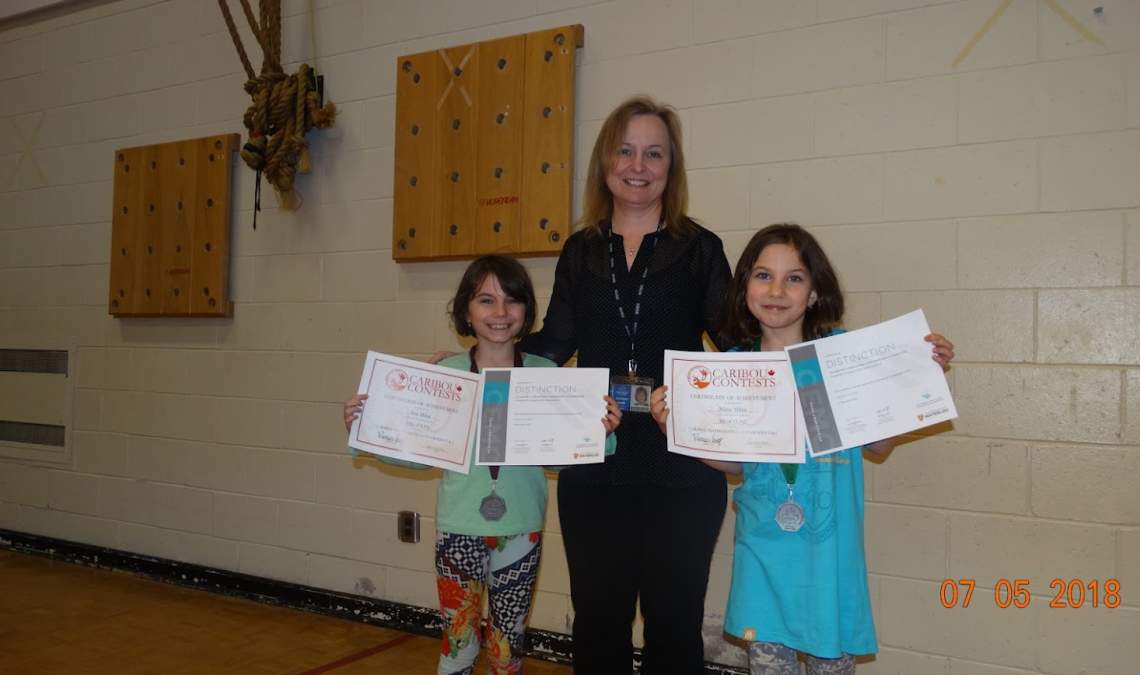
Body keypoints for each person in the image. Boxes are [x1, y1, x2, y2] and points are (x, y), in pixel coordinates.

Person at [649, 224, 955, 675]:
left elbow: (880, 444)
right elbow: (735, 465)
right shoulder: (730, 369)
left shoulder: (843, 355)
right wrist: (676, 427)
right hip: (762, 555)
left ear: (814, 292)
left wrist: (919, 380)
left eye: (794, 278)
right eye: (762, 275)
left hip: (828, 561)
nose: (776, 290)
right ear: (744, 289)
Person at [517, 95, 732, 674]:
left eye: (654, 154)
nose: (638, 166)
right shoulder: (580, 250)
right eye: (626, 150)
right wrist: (468, 367)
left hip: (681, 469)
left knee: (674, 624)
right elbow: (551, 345)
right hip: (596, 466)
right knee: (598, 623)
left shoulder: (699, 248)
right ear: (605, 161)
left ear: (671, 167)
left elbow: (739, 345)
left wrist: (833, 354)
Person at [343, 255, 622, 675]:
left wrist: (603, 433)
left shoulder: (548, 374)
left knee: (507, 646)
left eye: (512, 301)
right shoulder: (445, 373)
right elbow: (420, 457)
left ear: (526, 310)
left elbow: (565, 461)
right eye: (486, 301)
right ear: (466, 311)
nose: (500, 313)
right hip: (458, 530)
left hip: (521, 529)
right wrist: (367, 430)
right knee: (458, 643)